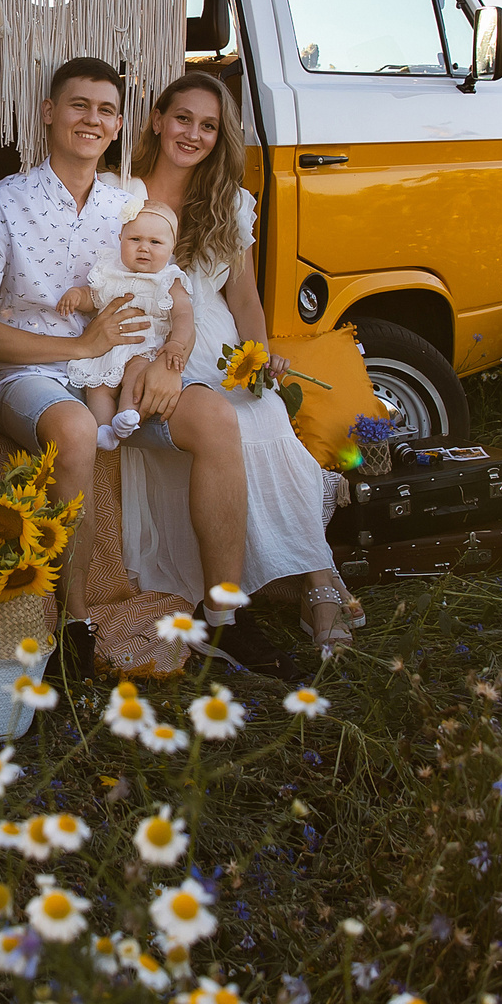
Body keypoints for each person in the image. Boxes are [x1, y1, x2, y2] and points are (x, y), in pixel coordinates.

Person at [0, 57, 247, 627]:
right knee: (77, 429)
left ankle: (227, 616)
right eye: (79, 105)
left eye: (106, 110)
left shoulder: (126, 210)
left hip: (119, 370)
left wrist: (166, 362)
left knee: (217, 419)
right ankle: (75, 619)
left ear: (120, 125)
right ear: (49, 113)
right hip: (31, 374)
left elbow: (167, 296)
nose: (92, 120)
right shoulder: (2, 202)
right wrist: (78, 349)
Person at [122, 70, 359, 653]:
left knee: (266, 415)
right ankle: (308, 581)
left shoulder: (229, 202)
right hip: (152, 348)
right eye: (183, 119)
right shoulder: (119, 194)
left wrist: (260, 357)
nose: (193, 134)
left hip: (224, 349)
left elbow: (245, 296)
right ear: (158, 119)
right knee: (234, 425)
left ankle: (314, 577)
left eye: (209, 126)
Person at [58, 199, 191, 451]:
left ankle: (128, 415)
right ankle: (104, 429)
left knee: (136, 376)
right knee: (97, 388)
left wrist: (177, 343)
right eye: (135, 240)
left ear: (171, 246)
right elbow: (95, 297)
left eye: (155, 242)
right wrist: (78, 295)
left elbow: (184, 316)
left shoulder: (169, 279)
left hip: (143, 346)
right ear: (121, 238)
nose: (144, 248)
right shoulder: (109, 270)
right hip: (106, 347)